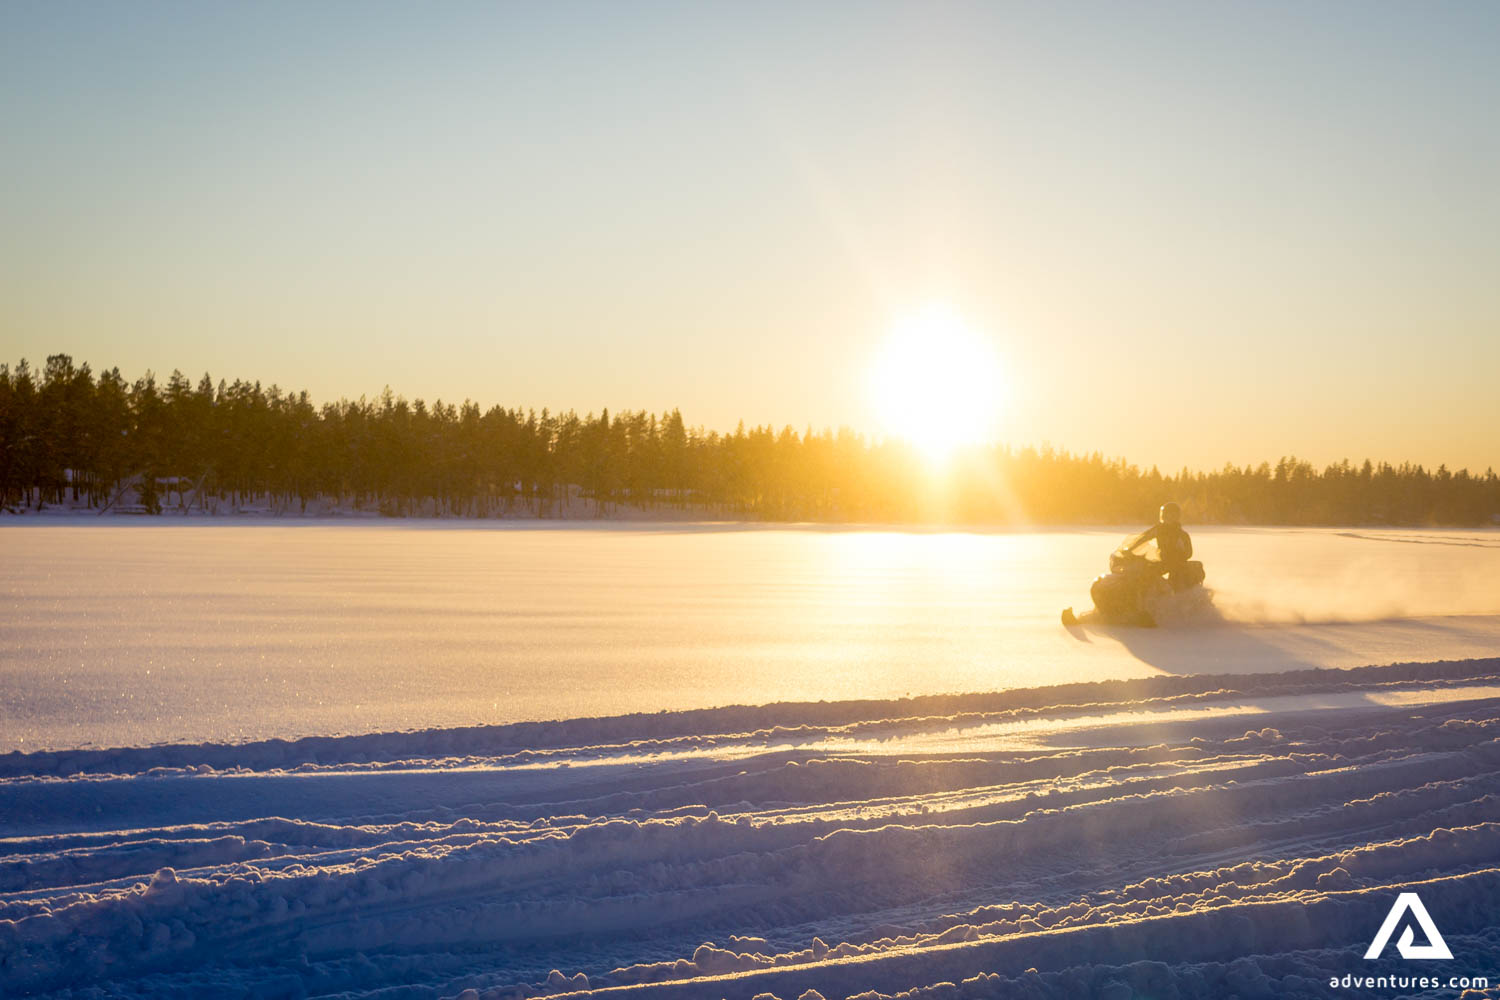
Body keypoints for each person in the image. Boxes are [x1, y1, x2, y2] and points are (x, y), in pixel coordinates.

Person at [1136, 501, 1194, 586]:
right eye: (1167, 514)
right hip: (1162, 560)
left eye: (1172, 515)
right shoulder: (1159, 529)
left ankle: (1172, 595)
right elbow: (1143, 538)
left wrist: (1178, 552)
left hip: (1176, 563)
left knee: (1175, 576)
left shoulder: (1181, 534)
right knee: (1145, 571)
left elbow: (1188, 552)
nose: (1169, 517)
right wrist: (1129, 548)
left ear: (1177, 516)